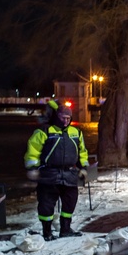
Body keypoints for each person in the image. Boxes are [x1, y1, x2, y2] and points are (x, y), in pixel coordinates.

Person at [24, 100, 89, 240]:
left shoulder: (76, 132)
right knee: (46, 204)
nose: (65, 121)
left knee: (70, 202)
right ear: (56, 116)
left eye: (68, 118)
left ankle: (65, 229)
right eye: (62, 118)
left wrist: (83, 168)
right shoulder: (44, 131)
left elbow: (82, 151)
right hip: (49, 174)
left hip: (70, 174)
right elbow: (33, 151)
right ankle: (47, 232)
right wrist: (32, 168)